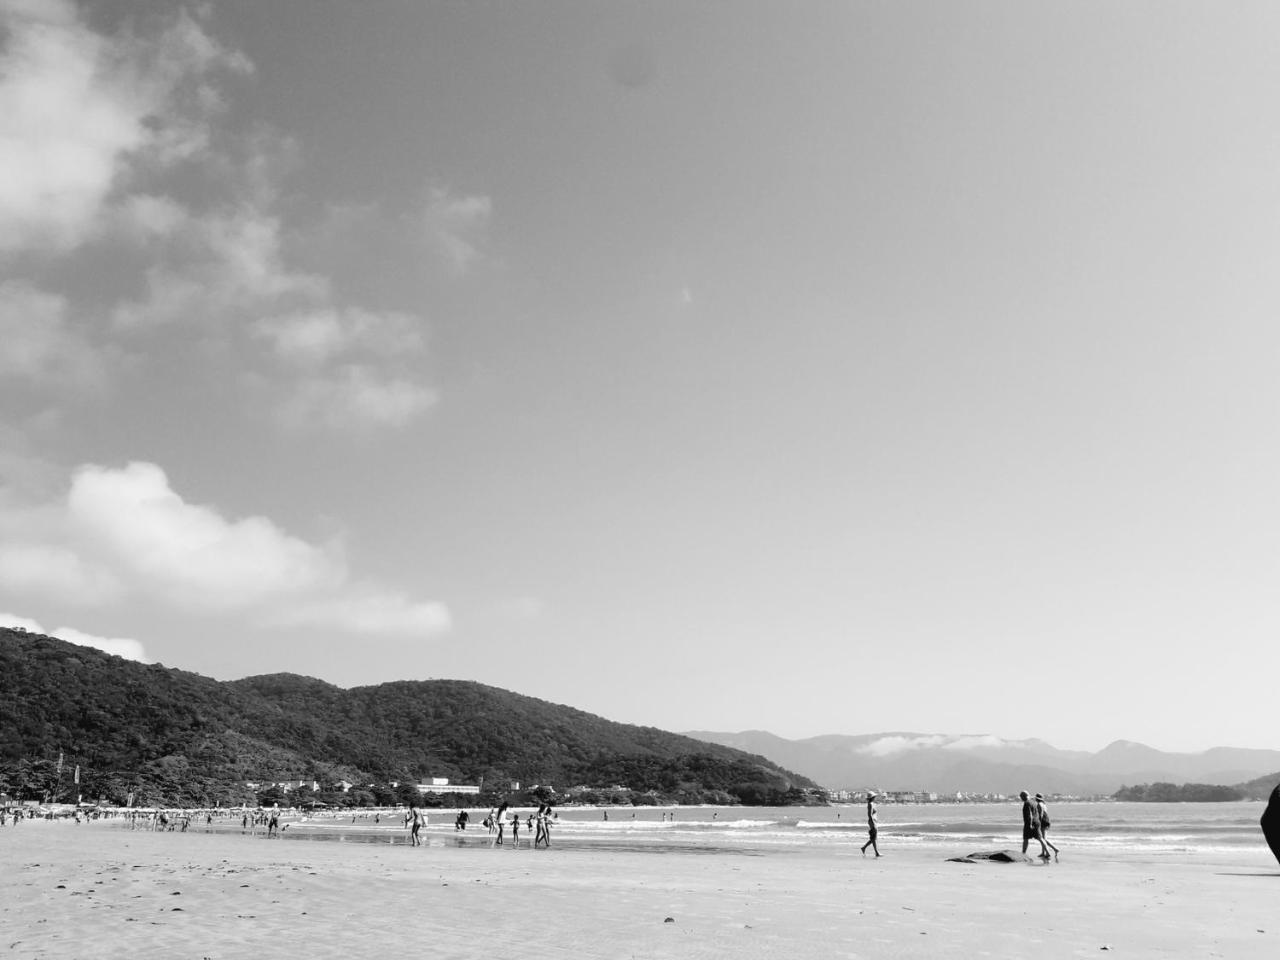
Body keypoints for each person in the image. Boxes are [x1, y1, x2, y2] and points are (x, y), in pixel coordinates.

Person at [1020, 791, 1051, 860]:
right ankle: (1048, 853)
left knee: (1025, 838)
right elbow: (1037, 812)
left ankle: (1023, 853)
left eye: (1021, 797)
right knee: (1040, 838)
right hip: (1037, 822)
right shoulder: (1034, 802)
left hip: (1030, 823)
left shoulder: (1027, 803)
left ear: (1024, 796)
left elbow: (1030, 815)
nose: (1021, 798)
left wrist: (1030, 824)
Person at [1035, 793, 1059, 862]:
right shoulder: (1044, 804)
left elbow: (1041, 814)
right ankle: (1043, 853)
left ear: (1037, 799)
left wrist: (1038, 822)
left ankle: (1055, 849)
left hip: (1043, 822)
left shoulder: (1039, 804)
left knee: (1043, 839)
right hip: (1046, 821)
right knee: (1043, 838)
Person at [861, 792, 881, 857]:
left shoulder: (872, 804)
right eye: (874, 797)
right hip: (872, 822)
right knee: (874, 838)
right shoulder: (870, 804)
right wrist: (872, 822)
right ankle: (876, 852)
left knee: (873, 838)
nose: (875, 797)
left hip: (873, 822)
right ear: (872, 797)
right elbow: (869, 814)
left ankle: (864, 848)